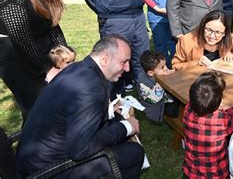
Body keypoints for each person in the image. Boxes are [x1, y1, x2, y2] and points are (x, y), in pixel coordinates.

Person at [16, 35, 144, 178]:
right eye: (124, 62)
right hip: (47, 170)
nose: (127, 68)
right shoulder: (91, 89)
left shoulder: (78, 69)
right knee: (134, 153)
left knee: (116, 126)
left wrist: (110, 115)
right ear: (105, 59)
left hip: (31, 160)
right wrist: (127, 127)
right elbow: (80, 150)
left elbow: (73, 113)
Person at [0, 0, 68, 122]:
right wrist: (47, 68)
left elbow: (53, 28)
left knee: (53, 106)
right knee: (36, 111)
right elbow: (21, 36)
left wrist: (65, 57)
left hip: (38, 53)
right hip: (16, 60)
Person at [182, 72, 233, 178]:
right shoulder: (222, 119)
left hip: (191, 170)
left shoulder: (187, 111)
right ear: (220, 102)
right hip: (216, 173)